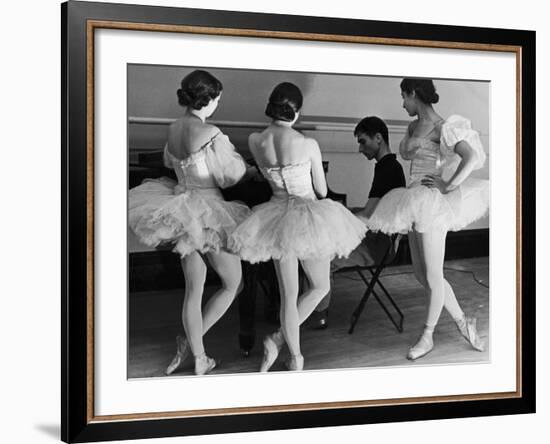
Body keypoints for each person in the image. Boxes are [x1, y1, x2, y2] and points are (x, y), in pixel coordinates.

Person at [228, 82, 367, 371]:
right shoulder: (307, 144)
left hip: (275, 216)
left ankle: (293, 356)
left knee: (288, 295)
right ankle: (277, 341)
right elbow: (322, 190)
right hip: (306, 216)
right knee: (319, 286)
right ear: (296, 112)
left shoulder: (256, 140)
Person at [128, 70, 253, 375]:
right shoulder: (211, 132)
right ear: (207, 99)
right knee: (234, 284)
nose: (217, 105)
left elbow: (171, 163)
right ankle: (189, 343)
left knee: (193, 288)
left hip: (180, 207)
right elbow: (228, 176)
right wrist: (249, 171)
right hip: (208, 211)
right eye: (218, 99)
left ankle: (198, 355)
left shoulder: (172, 129)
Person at [364, 78, 489, 360]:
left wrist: (448, 185)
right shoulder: (412, 126)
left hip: (432, 203)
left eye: (403, 97)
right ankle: (463, 323)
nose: (402, 103)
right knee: (423, 275)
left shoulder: (444, 127)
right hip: (412, 200)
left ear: (413, 94)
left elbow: (470, 158)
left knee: (433, 276)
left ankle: (428, 336)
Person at [309, 116, 406, 329]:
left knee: (323, 256)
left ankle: (318, 313)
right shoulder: (387, 165)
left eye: (363, 141)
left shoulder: (387, 169)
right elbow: (372, 210)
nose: (360, 149)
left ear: (378, 138)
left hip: (380, 245)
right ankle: (310, 305)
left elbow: (368, 215)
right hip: (379, 236)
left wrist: (335, 217)